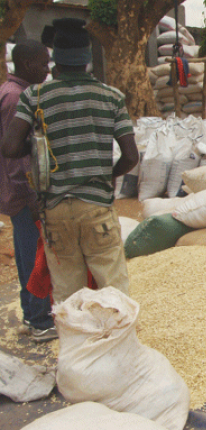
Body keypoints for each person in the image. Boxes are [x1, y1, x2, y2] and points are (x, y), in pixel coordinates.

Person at [0, 18, 139, 305]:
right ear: (88, 60)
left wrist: (39, 144)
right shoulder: (111, 97)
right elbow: (131, 157)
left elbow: (10, 147)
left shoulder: (35, 96)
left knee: (67, 294)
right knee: (113, 285)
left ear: (55, 62)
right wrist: (106, 175)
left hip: (55, 209)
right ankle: (117, 345)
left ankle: (76, 347)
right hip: (97, 208)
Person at [0, 40, 56, 342]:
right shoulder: (15, 98)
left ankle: (34, 314)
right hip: (22, 194)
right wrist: (32, 194)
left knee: (28, 255)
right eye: (43, 64)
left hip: (19, 192)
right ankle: (38, 319)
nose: (47, 70)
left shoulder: (16, 93)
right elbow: (16, 155)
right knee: (32, 256)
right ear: (25, 64)